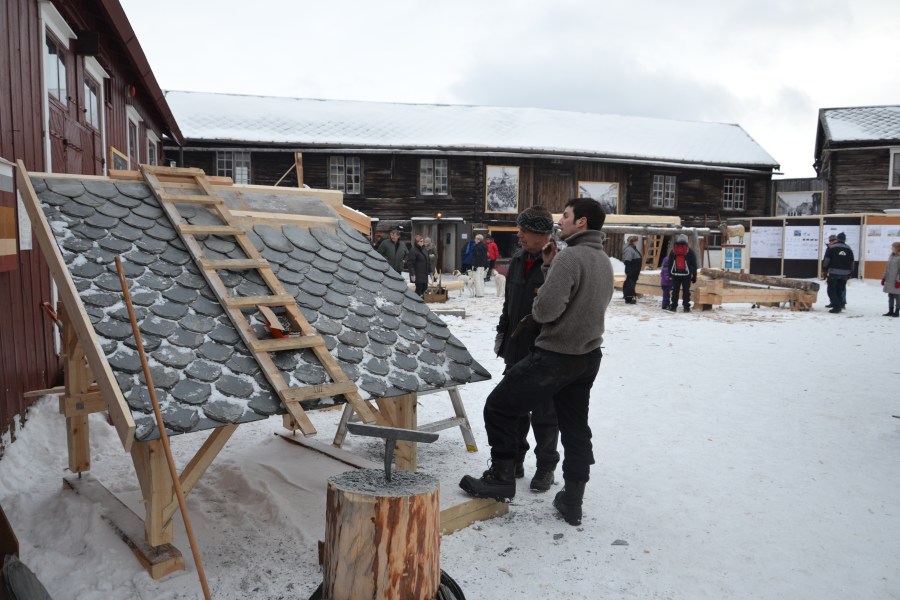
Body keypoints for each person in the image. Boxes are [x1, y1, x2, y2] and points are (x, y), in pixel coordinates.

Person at [459, 197, 615, 527]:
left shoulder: (570, 257)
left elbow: (544, 311)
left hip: (555, 355)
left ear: (582, 222)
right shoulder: (603, 260)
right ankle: (572, 498)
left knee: (499, 407)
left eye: (567, 215)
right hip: (587, 357)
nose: (562, 220)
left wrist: (548, 274)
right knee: (575, 428)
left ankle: (502, 478)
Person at [493, 206, 560, 492]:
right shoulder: (518, 259)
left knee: (545, 413)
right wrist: (502, 333)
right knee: (514, 409)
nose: (518, 234)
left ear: (542, 234)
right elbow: (509, 303)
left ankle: (546, 467)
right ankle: (516, 459)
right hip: (516, 347)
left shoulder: (558, 263)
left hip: (544, 351)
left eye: (524, 230)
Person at [821, 232, 854, 314]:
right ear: (845, 239)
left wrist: (824, 269)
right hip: (845, 273)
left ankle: (836, 306)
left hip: (833, 272)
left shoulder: (832, 248)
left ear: (837, 239)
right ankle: (839, 304)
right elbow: (852, 262)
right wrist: (850, 272)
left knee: (831, 290)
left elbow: (827, 260)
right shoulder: (849, 249)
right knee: (840, 289)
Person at [666, 234, 698, 312]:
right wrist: (694, 276)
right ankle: (686, 307)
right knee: (686, 291)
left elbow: (670, 264)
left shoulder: (674, 251)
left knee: (675, 290)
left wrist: (670, 274)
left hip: (675, 274)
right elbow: (694, 265)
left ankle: (673, 306)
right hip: (686, 275)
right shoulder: (689, 251)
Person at [880, 241, 900, 317]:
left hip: (896, 280)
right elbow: (887, 268)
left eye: (893, 247)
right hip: (889, 280)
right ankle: (890, 311)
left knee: (897, 296)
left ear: (897, 248)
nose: (891, 248)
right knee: (890, 295)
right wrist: (884, 278)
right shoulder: (891, 256)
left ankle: (897, 311)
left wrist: (898, 281)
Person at [622, 235, 642, 304]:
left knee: (631, 283)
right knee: (630, 283)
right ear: (633, 241)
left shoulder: (633, 248)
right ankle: (629, 298)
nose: (637, 242)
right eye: (636, 241)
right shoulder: (629, 249)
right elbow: (627, 260)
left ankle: (630, 296)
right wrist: (629, 270)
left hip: (634, 269)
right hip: (632, 269)